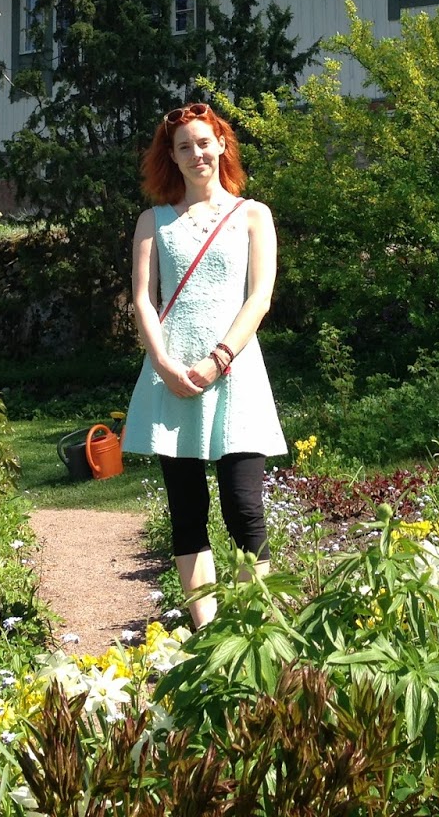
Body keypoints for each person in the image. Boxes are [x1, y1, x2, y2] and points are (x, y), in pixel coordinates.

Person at [121, 101, 286, 628]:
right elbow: (143, 300)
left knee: (244, 507)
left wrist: (219, 358)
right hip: (172, 376)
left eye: (204, 142)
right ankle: (208, 634)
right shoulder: (153, 222)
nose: (196, 154)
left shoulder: (253, 215)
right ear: (171, 157)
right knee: (187, 510)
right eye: (184, 146)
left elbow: (259, 297)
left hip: (236, 373)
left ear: (222, 146)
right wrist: (164, 365)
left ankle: (254, 630)